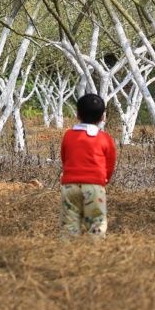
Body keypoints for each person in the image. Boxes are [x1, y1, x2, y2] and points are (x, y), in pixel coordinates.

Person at [60, 93, 117, 238]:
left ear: (78, 114)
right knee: (96, 224)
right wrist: (104, 180)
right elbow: (110, 164)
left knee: (69, 225)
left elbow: (64, 158)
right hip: (94, 187)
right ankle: (95, 255)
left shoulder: (68, 135)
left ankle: (66, 255)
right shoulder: (105, 138)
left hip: (69, 186)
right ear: (103, 117)